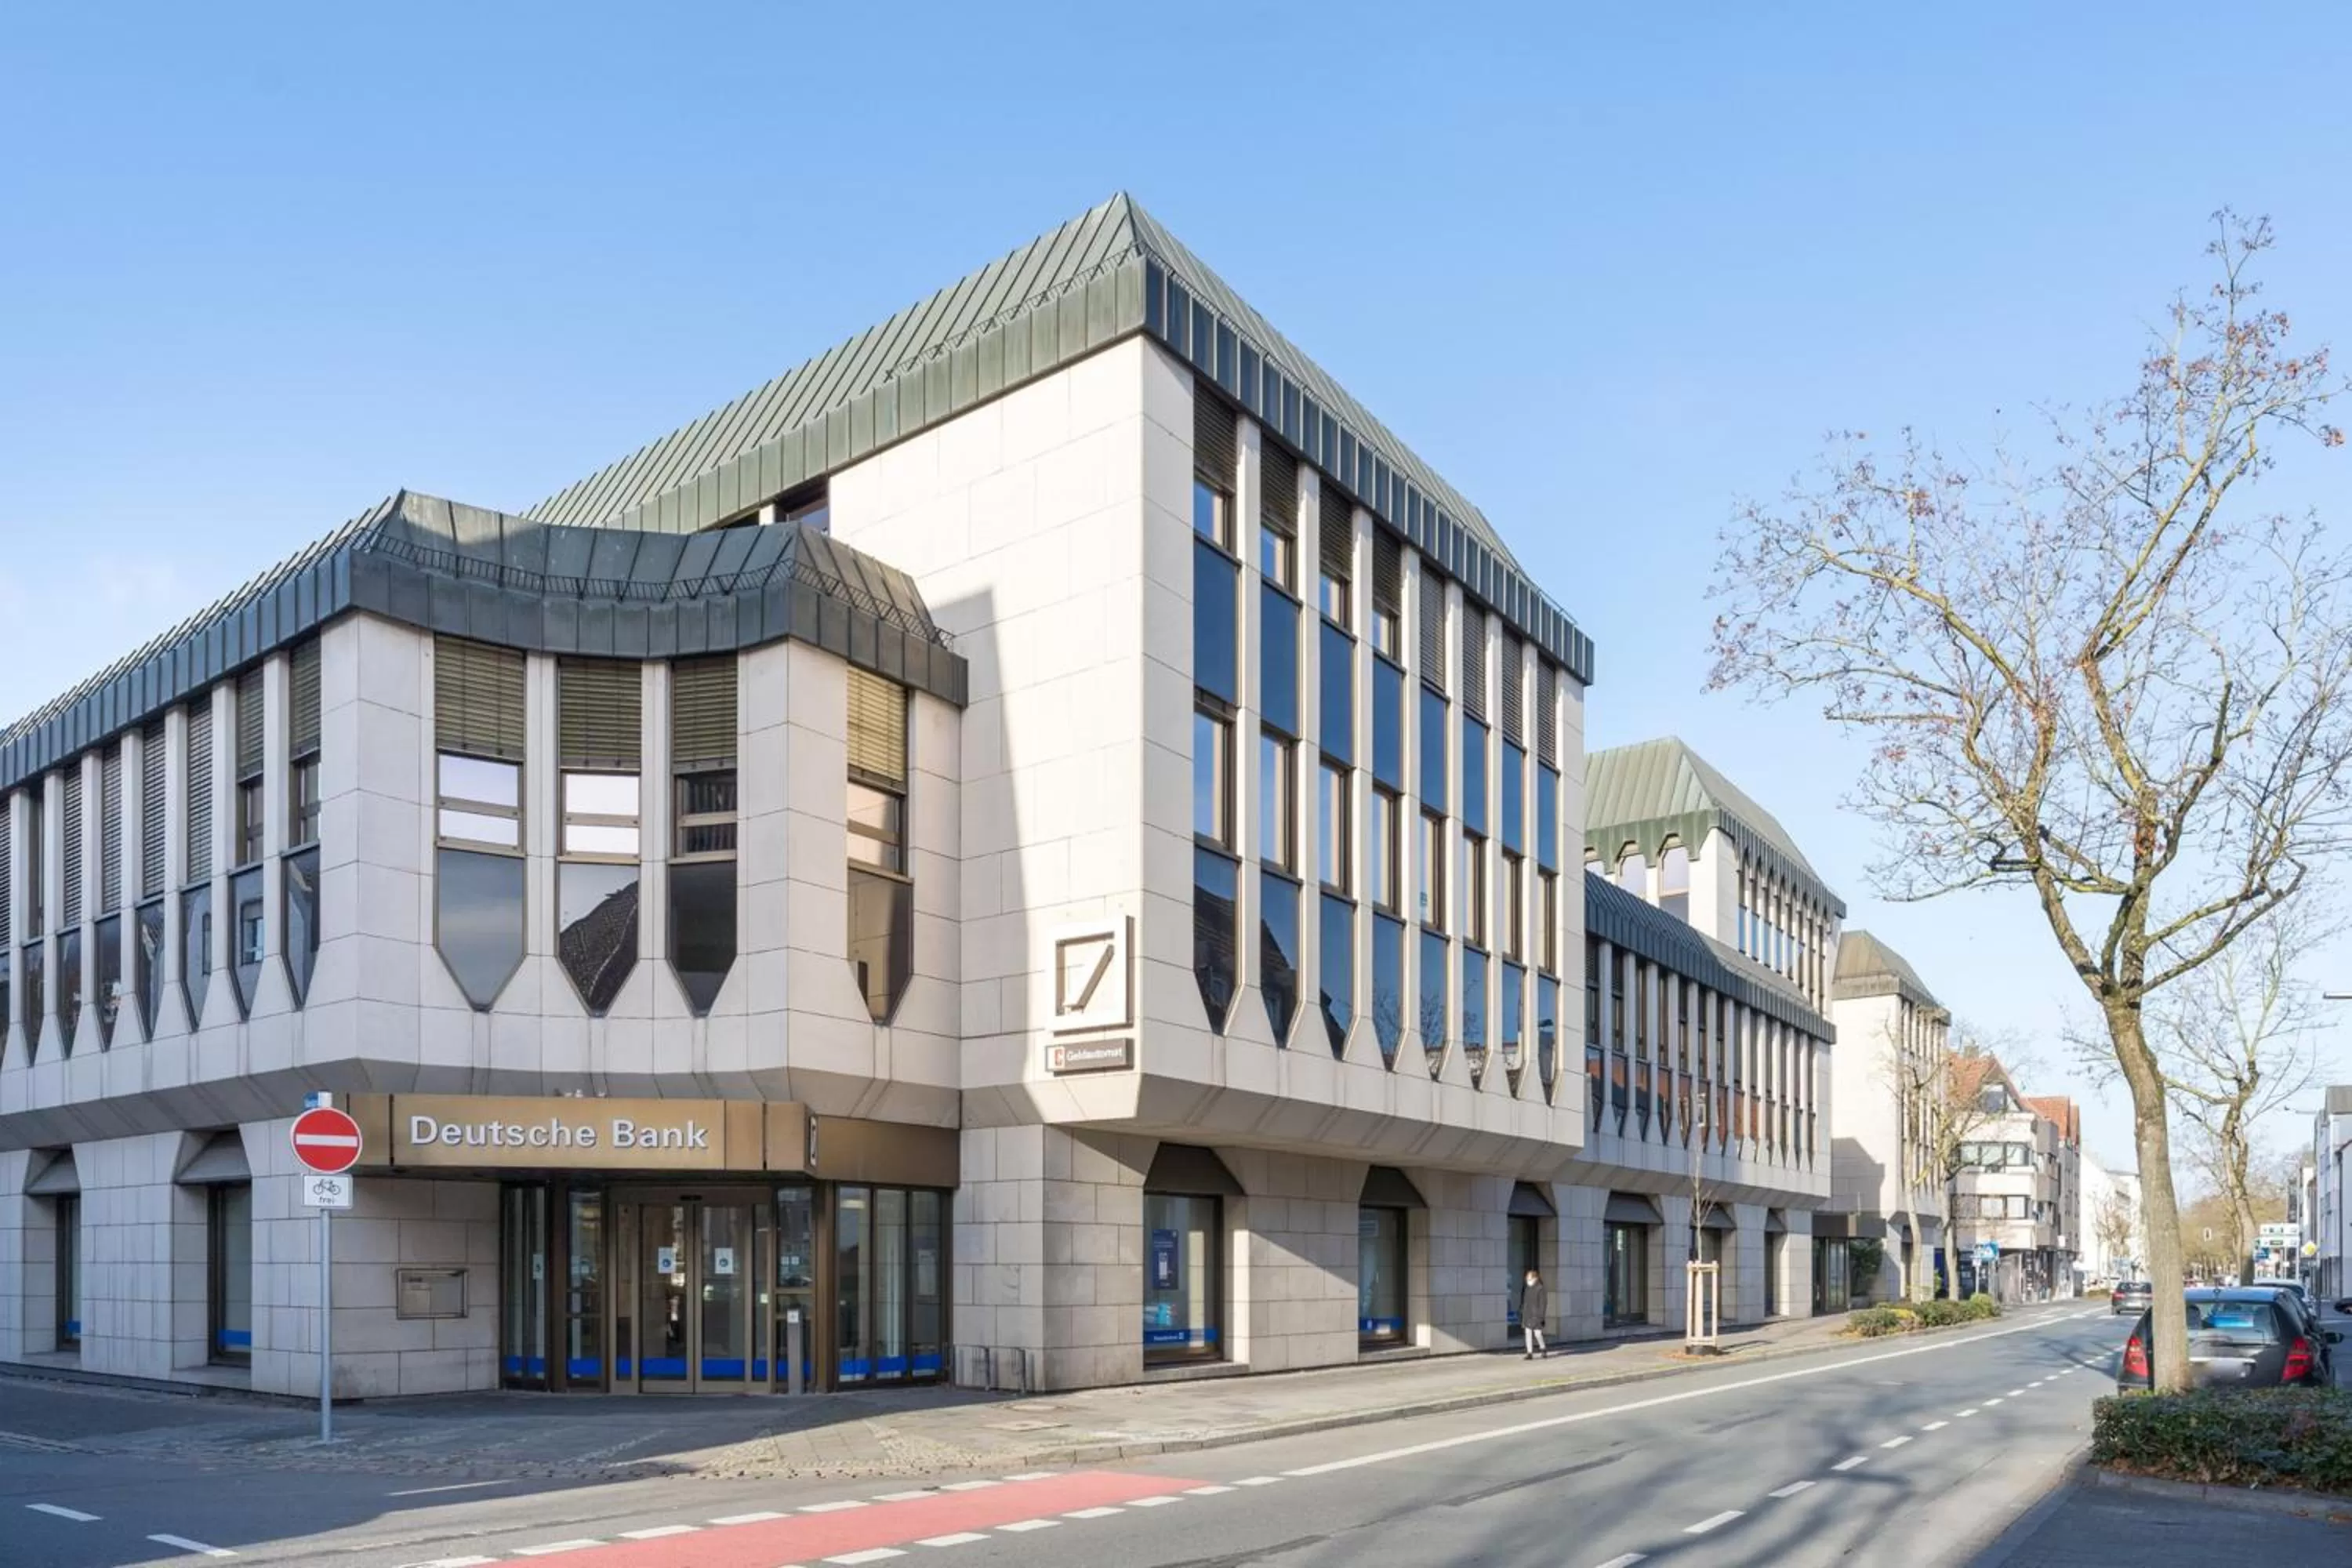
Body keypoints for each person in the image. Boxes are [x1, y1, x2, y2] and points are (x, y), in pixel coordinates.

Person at [1519, 1269, 1548, 1359]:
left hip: (1536, 1315)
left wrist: (1541, 1316)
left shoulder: (1540, 1288)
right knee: (1528, 1333)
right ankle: (1529, 1352)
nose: (1528, 1279)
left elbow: (1543, 1303)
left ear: (1535, 1278)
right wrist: (1522, 1309)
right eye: (1527, 1278)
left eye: (1529, 1278)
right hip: (1528, 1314)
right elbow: (1525, 1301)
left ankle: (1543, 1348)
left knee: (1537, 1334)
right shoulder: (1527, 1288)